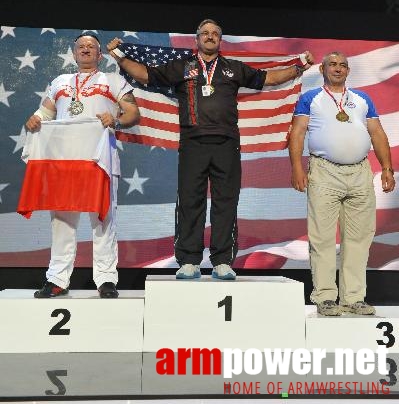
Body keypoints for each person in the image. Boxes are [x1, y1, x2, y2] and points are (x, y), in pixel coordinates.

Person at [107, 19, 314, 280]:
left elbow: (268, 78)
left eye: (214, 33)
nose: (209, 36)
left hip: (227, 144)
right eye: (205, 33)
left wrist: (298, 67)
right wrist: (120, 57)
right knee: (190, 202)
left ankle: (222, 261)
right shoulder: (182, 67)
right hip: (193, 144)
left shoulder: (232, 68)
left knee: (225, 203)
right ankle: (189, 261)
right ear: (197, 39)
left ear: (220, 40)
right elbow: (146, 75)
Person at [25, 32, 140, 298]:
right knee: (62, 220)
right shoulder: (60, 81)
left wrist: (116, 118)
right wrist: (33, 118)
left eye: (92, 47)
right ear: (74, 53)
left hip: (100, 160)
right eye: (81, 46)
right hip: (65, 162)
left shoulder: (113, 80)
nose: (86, 49)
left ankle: (106, 279)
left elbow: (133, 113)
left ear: (100, 55)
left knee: (103, 219)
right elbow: (45, 113)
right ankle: (57, 279)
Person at [289, 51, 395, 316]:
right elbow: (297, 134)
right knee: (322, 238)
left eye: (342, 65)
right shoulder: (310, 99)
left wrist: (387, 168)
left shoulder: (362, 99)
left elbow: (377, 133)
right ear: (323, 69)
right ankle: (325, 297)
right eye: (332, 65)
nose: (337, 69)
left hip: (360, 172)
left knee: (359, 238)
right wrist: (296, 167)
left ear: (348, 71)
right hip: (324, 172)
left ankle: (353, 298)